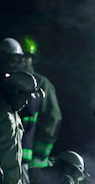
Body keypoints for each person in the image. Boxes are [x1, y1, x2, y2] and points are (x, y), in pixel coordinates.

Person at [15, 36, 63, 171]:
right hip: (5, 157)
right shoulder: (8, 82)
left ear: (33, 59)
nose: (23, 60)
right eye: (20, 56)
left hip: (29, 161)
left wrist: (39, 155)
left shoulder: (42, 84)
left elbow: (52, 119)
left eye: (27, 56)